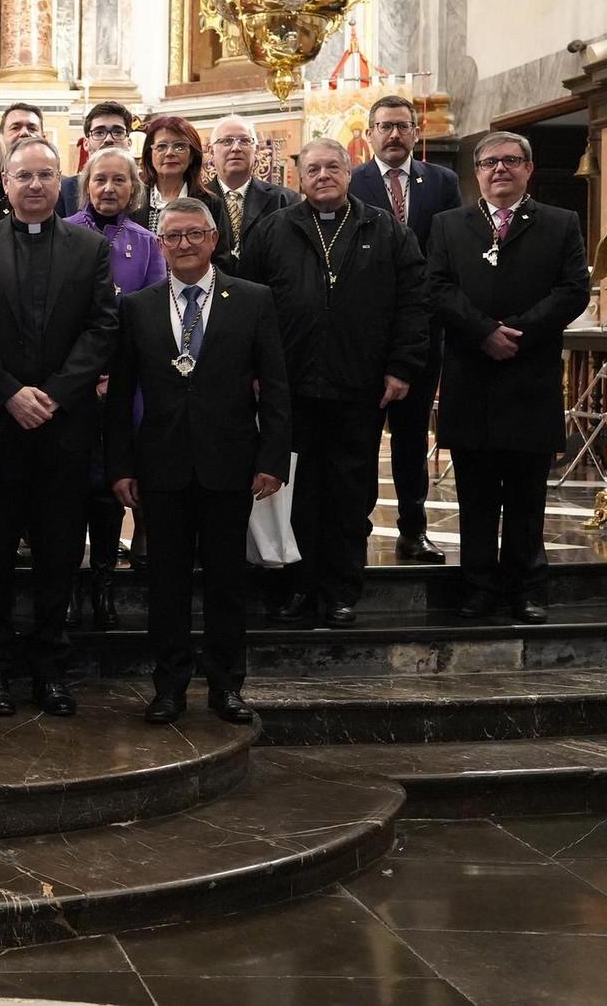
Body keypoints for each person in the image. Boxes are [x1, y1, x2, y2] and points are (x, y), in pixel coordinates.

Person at [0, 137, 119, 716]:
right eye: (23, 176)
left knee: (58, 550)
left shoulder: (90, 248)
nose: (35, 186)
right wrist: (10, 392)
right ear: (5, 179)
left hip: (64, 425)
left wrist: (51, 393)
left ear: (61, 181)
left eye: (46, 175)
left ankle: (51, 665)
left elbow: (101, 328)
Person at [109, 200, 290, 726]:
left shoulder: (253, 300)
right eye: (172, 237)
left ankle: (227, 686)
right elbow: (121, 396)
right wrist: (121, 465)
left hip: (229, 464)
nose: (183, 244)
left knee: (227, 581)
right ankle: (168, 687)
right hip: (160, 468)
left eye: (193, 235)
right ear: (159, 245)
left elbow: (275, 386)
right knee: (165, 585)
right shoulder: (138, 307)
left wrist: (272, 457)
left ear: (213, 240)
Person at [239, 138, 428, 628]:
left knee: (350, 494)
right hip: (290, 388)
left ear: (350, 172)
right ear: (299, 178)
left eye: (333, 167)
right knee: (294, 494)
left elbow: (413, 303)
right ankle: (296, 587)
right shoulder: (274, 229)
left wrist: (401, 367)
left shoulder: (386, 229)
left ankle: (343, 590)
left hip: (358, 386)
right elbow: (246, 307)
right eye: (313, 168)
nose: (323, 175)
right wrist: (254, 371)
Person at [427, 134, 587, 624]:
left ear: (528, 169)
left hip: (529, 373)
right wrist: (483, 332)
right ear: (476, 171)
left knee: (525, 493)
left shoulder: (560, 223)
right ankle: (477, 587)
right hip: (470, 374)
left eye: (510, 161)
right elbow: (435, 286)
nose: (500, 169)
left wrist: (518, 333)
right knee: (474, 493)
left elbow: (573, 290)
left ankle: (527, 587)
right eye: (490, 162)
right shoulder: (449, 225)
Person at [349, 94, 461, 563]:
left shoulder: (442, 181)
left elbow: (452, 248)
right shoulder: (350, 181)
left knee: (413, 436)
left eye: (402, 126)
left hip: (422, 329)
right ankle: (354, 527)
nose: (393, 135)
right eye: (384, 126)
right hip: (363, 334)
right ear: (369, 134)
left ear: (416, 132)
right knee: (360, 437)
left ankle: (413, 530)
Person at [66, 147, 167, 628]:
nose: (108, 189)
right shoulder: (65, 233)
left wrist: (116, 375)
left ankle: (105, 577)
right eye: (100, 180)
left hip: (125, 385)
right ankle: (67, 579)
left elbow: (153, 315)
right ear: (86, 185)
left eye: (119, 181)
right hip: (71, 384)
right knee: (71, 484)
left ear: (134, 188)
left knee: (112, 485)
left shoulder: (148, 244)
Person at [207, 114, 297, 264]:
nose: (236, 148)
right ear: (211, 151)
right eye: (226, 141)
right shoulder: (196, 200)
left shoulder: (284, 200)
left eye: (244, 141)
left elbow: (292, 258)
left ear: (257, 149)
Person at [136, 115, 229, 256]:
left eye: (179, 146)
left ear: (192, 156)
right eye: (161, 147)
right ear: (150, 155)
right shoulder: (134, 200)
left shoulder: (211, 203)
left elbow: (221, 260)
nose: (170, 153)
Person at [57, 102, 140, 218]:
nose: (109, 139)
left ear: (129, 142)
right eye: (99, 132)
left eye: (118, 132)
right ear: (86, 143)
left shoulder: (141, 190)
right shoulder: (66, 189)